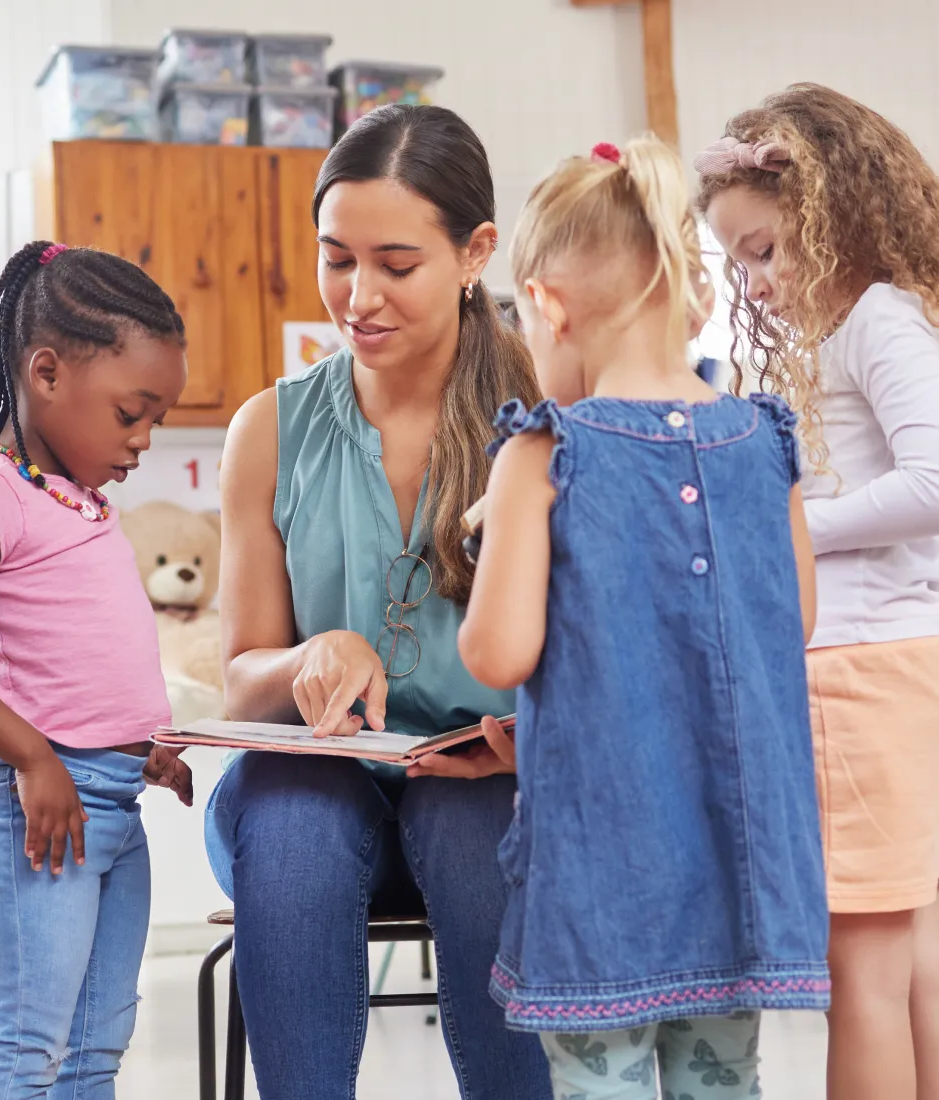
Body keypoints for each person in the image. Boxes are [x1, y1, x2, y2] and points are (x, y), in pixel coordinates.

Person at [459, 136, 830, 1099]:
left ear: (545, 304)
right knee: (725, 1083)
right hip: (733, 865)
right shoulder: (763, 441)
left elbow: (499, 651)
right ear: (694, 296)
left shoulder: (541, 453)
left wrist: (498, 529)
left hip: (600, 878)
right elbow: (793, 620)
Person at [208, 104, 552, 1099]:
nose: (357, 296)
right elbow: (241, 679)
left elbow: (594, 660)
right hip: (317, 800)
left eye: (395, 264)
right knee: (287, 814)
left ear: (474, 251)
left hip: (486, 789)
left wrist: (526, 738)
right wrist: (304, 659)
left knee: (476, 820)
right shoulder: (268, 428)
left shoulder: (539, 421)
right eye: (335, 258)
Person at [697, 84, 939, 1100]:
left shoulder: (874, 322)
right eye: (735, 260)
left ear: (833, 217)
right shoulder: (846, 329)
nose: (751, 282)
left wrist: (784, 528)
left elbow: (934, 481)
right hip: (891, 663)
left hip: (859, 674)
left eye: (764, 251)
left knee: (866, 974)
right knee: (914, 961)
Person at [0, 240, 194, 1099]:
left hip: (113, 800)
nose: (144, 439)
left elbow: (77, 658)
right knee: (30, 1051)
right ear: (47, 374)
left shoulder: (82, 503)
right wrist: (32, 756)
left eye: (157, 419)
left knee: (97, 1049)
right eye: (132, 413)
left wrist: (140, 750)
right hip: (37, 806)